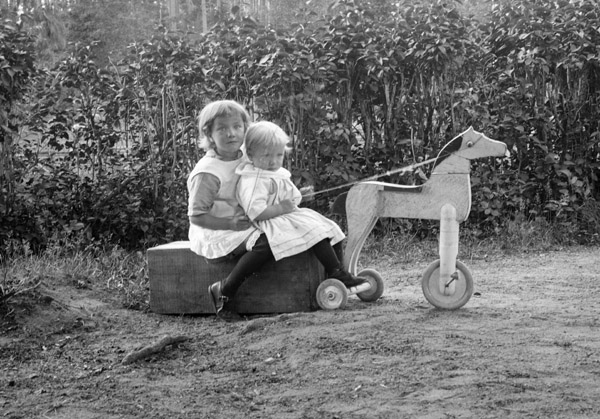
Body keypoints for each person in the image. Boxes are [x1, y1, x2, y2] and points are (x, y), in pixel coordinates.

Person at [236, 120, 366, 288]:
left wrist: (300, 196)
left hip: (282, 216)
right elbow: (256, 212)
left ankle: (338, 271)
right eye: (267, 156)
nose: (273, 161)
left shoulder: (275, 173)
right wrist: (281, 208)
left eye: (279, 155)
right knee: (314, 232)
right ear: (251, 154)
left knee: (329, 227)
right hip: (266, 224)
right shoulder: (254, 179)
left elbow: (287, 198)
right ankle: (336, 272)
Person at [187, 100, 273, 319]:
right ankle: (224, 291)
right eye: (222, 129)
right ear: (209, 134)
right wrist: (230, 224)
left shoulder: (245, 156)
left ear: (245, 128)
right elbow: (197, 216)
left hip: (242, 221)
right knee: (267, 240)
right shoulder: (208, 172)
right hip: (217, 230)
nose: (231, 134)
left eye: (237, 126)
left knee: (289, 229)